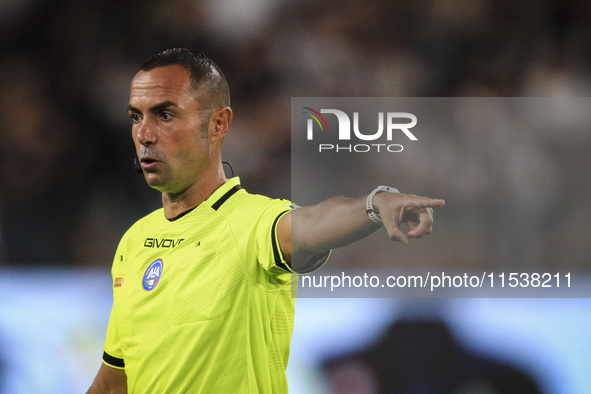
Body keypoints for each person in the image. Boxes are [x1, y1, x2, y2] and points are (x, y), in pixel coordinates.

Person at [87, 48, 445, 393]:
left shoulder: (254, 222)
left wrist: (373, 203)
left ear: (218, 124)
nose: (144, 135)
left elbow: (313, 223)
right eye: (137, 116)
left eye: (165, 115)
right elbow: (114, 384)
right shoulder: (135, 240)